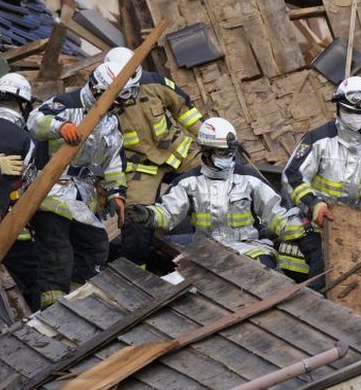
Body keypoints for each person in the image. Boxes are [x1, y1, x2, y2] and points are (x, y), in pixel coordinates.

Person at [125, 117, 322, 276]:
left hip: (252, 249)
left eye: (231, 152)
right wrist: (149, 215)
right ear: (206, 150)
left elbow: (277, 214)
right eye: (222, 152)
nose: (228, 157)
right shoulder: (188, 183)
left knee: (270, 283)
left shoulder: (249, 179)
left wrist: (304, 230)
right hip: (207, 253)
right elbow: (168, 213)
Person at [27, 61, 128, 308]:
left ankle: (78, 300)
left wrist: (117, 193)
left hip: (82, 192)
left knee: (95, 246)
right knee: (57, 251)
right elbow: (34, 120)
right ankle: (51, 308)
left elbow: (114, 159)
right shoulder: (65, 103)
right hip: (49, 191)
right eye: (113, 101)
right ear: (97, 91)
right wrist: (60, 127)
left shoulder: (110, 121)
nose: (115, 107)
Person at [103, 47, 204, 267]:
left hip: (177, 152)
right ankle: (137, 270)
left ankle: (210, 249)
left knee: (213, 180)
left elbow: (184, 110)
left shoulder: (154, 83)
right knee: (135, 218)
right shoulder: (100, 102)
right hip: (139, 167)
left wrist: (208, 137)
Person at [283, 76, 361, 229]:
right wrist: (314, 205)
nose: (354, 117)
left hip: (358, 232)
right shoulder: (318, 140)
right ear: (338, 107)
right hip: (316, 227)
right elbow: (293, 176)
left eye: (360, 113)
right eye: (348, 110)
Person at [0, 73, 39, 309]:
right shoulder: (26, 141)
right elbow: (30, 185)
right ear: (23, 105)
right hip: (7, 230)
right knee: (32, 280)